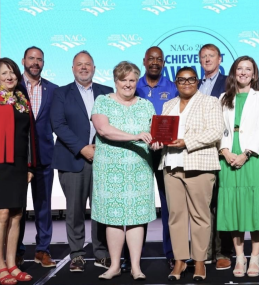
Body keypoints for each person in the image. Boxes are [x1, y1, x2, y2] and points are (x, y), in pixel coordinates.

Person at [152, 67, 224, 281]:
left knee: (200, 216)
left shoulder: (210, 102)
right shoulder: (168, 104)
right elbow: (162, 134)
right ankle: (181, 260)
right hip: (172, 166)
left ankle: (200, 261)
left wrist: (186, 142)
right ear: (175, 82)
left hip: (199, 165)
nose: (186, 83)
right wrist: (156, 142)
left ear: (197, 81)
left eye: (191, 79)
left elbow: (215, 131)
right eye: (181, 80)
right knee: (175, 217)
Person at [91, 61, 156, 280]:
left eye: (132, 80)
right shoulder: (103, 102)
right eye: (123, 80)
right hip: (110, 169)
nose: (128, 84)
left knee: (137, 218)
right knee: (114, 217)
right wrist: (136, 136)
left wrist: (157, 143)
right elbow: (103, 129)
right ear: (115, 81)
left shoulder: (146, 105)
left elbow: (152, 136)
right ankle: (115, 266)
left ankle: (136, 267)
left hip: (139, 169)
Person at [50, 51, 112, 272]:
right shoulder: (60, 93)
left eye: (88, 64)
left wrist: (98, 149)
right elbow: (58, 125)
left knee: (101, 209)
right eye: (79, 64)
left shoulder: (107, 93)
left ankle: (101, 252)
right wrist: (82, 148)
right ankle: (76, 254)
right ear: (72, 68)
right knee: (75, 210)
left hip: (102, 159)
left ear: (94, 68)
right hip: (72, 159)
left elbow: (113, 124)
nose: (84, 68)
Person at [217, 56, 259, 277]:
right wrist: (225, 151)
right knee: (235, 207)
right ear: (234, 73)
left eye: (248, 69)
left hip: (253, 157)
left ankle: (255, 257)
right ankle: (240, 257)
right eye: (239, 69)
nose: (243, 72)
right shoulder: (224, 97)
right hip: (228, 156)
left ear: (254, 74)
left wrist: (245, 153)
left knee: (255, 207)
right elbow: (220, 128)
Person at [128, 46, 178, 271]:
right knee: (135, 205)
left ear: (164, 63)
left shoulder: (173, 87)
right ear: (144, 61)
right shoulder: (133, 85)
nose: (155, 62)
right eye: (151, 59)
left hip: (165, 154)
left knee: (170, 208)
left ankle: (172, 254)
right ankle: (131, 258)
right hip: (138, 154)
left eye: (159, 59)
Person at [16, 46, 58, 268]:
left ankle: (43, 250)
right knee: (17, 208)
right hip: (18, 159)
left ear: (43, 63)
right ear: (23, 60)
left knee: (43, 206)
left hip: (44, 157)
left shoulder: (53, 89)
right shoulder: (12, 88)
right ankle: (17, 251)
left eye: (39, 59)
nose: (35, 62)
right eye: (31, 58)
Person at [0, 57, 36, 284]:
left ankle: (12, 263)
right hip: (0, 163)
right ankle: (0, 264)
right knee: (2, 214)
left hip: (19, 163)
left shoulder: (22, 99)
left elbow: (29, 135)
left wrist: (29, 165)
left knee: (17, 214)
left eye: (11, 72)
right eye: (3, 73)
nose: (9, 76)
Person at [197, 44, 233, 271]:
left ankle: (223, 251)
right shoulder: (194, 84)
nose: (207, 59)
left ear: (220, 59)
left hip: (223, 149)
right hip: (199, 151)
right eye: (203, 57)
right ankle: (204, 251)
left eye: (211, 56)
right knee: (203, 204)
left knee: (222, 203)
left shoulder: (230, 81)